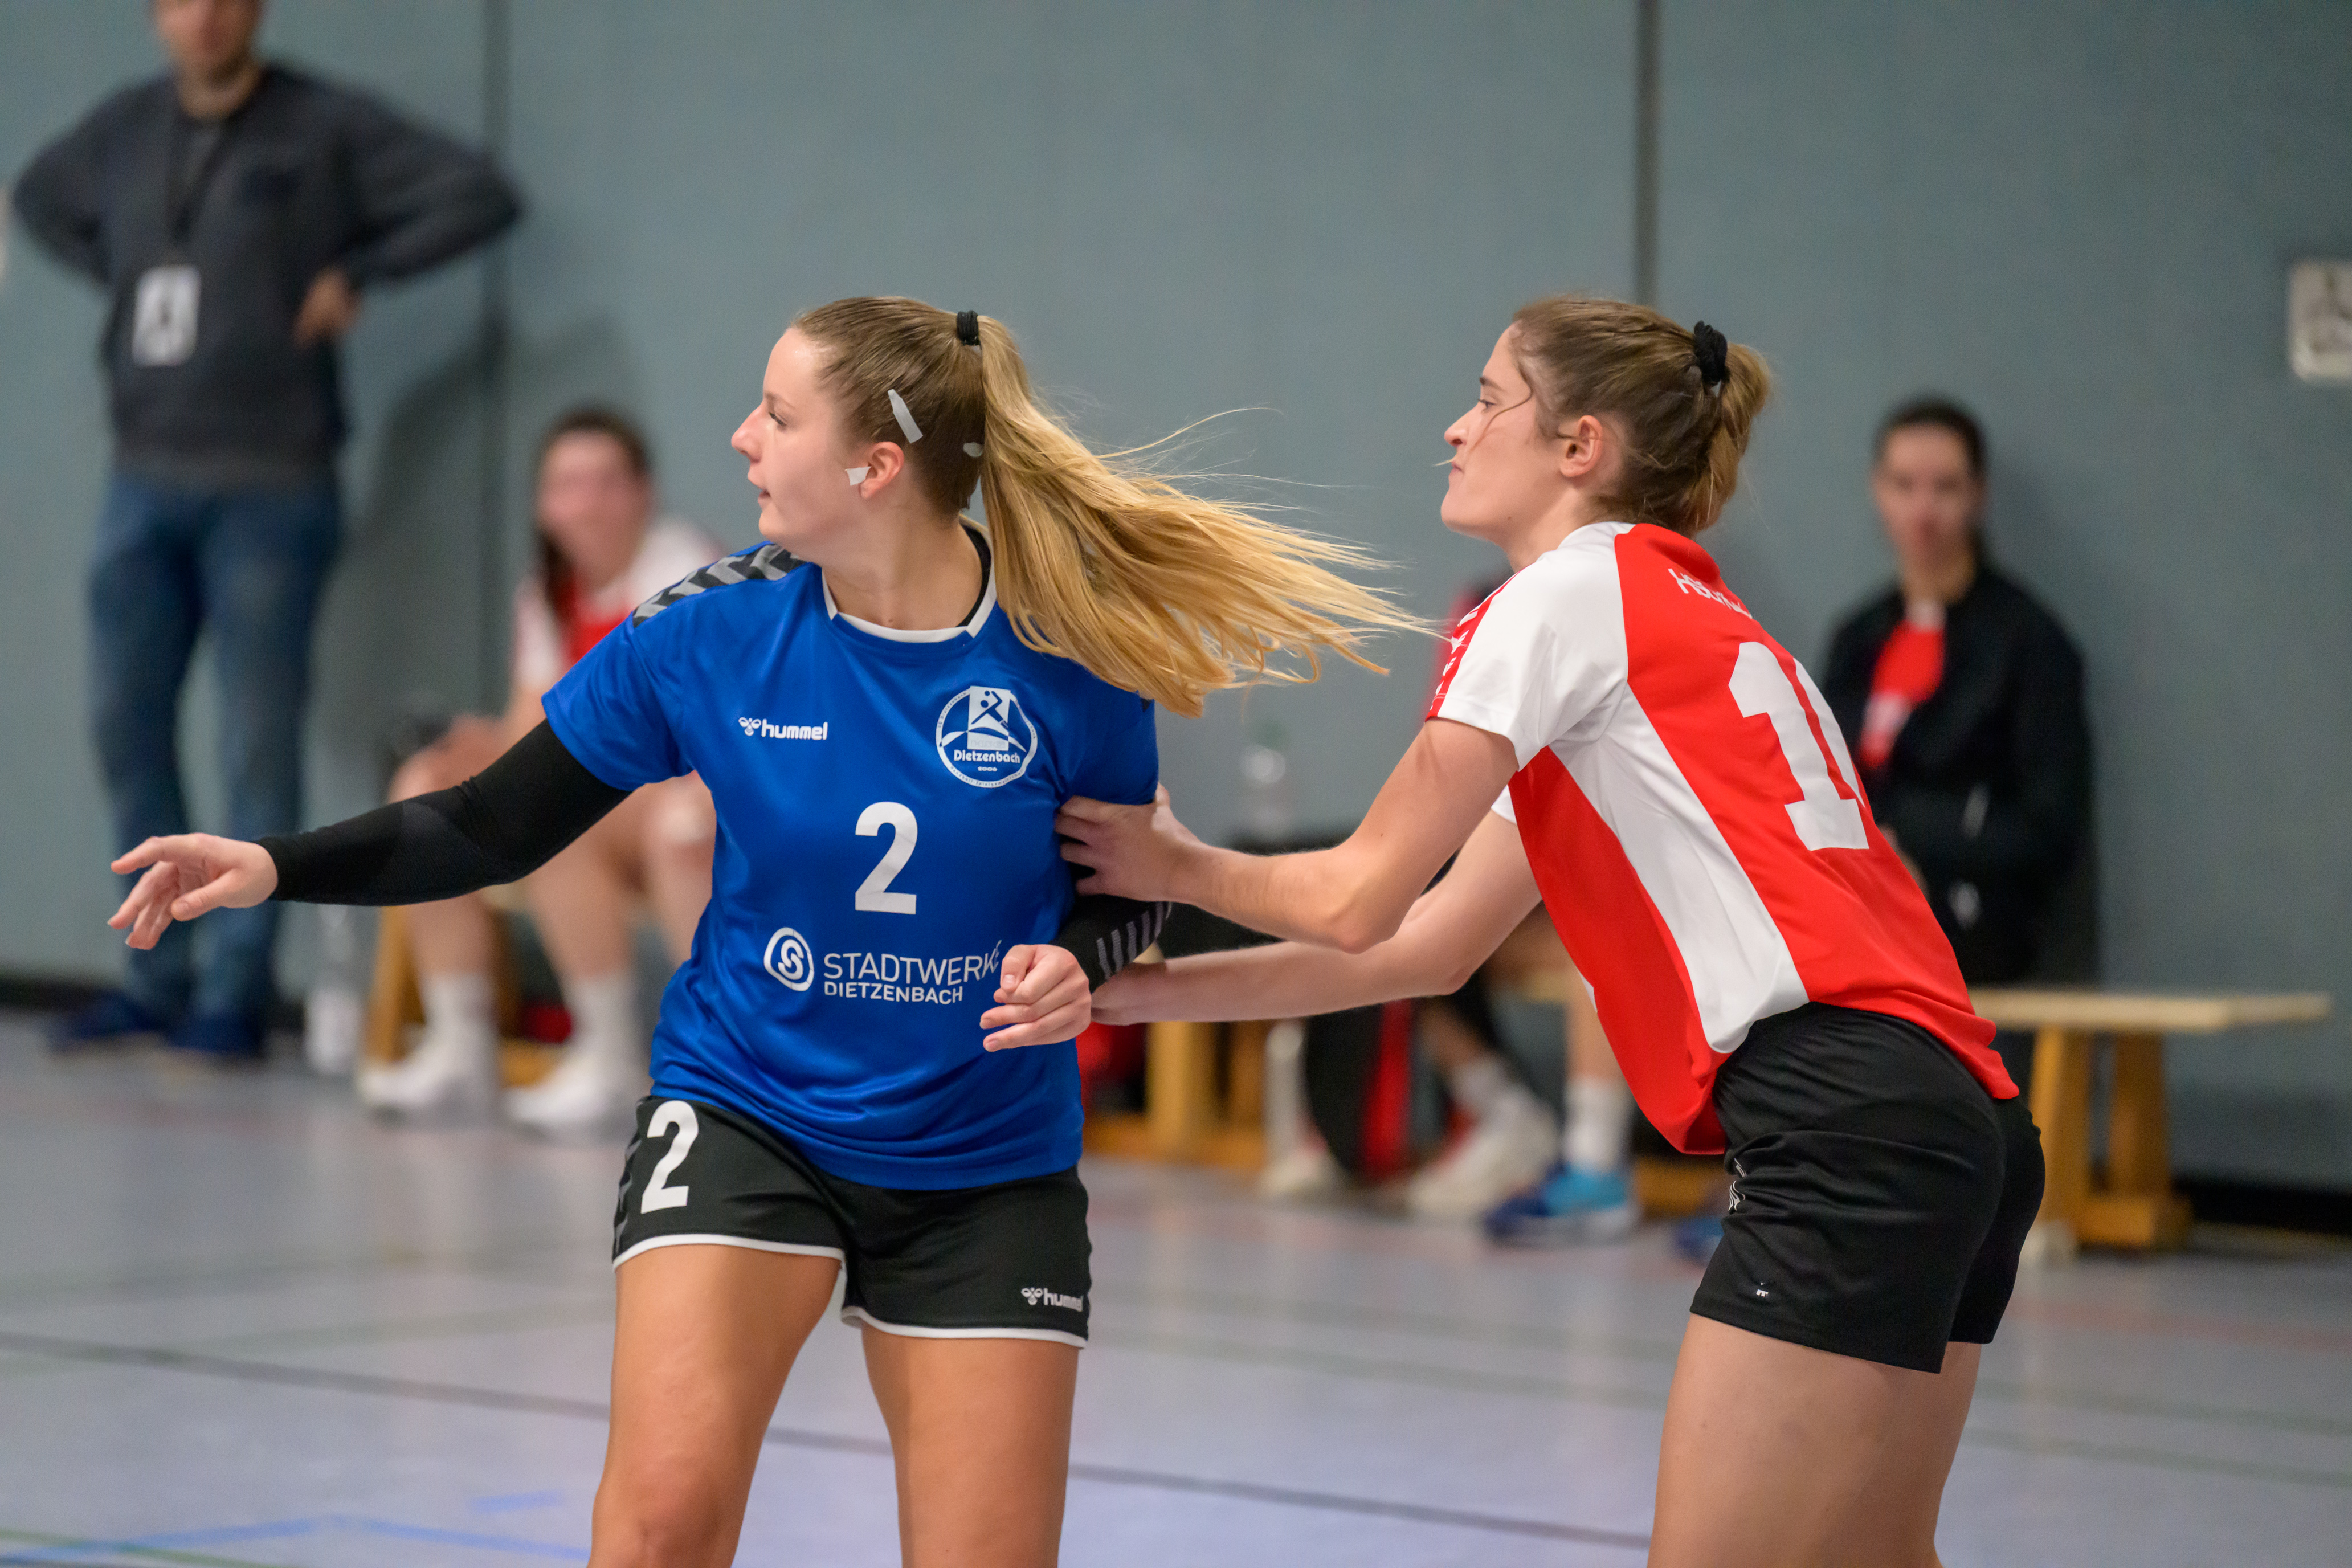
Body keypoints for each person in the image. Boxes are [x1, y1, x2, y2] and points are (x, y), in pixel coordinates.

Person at [103, 297, 1407, 1567]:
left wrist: (1082, 959)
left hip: (981, 1154)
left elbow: (1131, 881)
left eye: (776, 415)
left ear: (875, 467)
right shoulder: (708, 632)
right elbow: (492, 823)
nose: (741, 437)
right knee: (660, 1528)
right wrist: (270, 865)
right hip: (747, 1111)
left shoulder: (1070, 652)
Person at [1065, 296, 2044, 1566]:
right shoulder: (1675, 618)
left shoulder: (1560, 600)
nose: (1455, 426)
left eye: (1487, 399)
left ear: (1580, 445)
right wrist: (1138, 995)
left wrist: (1172, 862)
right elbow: (1427, 945)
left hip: (1843, 1120)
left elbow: (1358, 892)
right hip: (1964, 1121)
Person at [15, 0, 520, 1060]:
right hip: (142, 469)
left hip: (271, 479)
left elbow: (478, 194)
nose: (205, 17)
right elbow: (39, 197)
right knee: (125, 723)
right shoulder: (127, 127)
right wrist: (123, 267)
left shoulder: (320, 124)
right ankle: (153, 975)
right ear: (157, 16)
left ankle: (234, 993)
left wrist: (358, 271)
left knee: (256, 734)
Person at [356, 407, 723, 1136]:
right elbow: (531, 727)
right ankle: (462, 1040)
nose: (586, 504)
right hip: (620, 797)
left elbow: (716, 726)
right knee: (427, 789)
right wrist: (469, 751)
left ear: (643, 493)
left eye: (605, 483)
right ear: (543, 505)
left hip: (694, 795)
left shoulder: (681, 573)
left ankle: (658, 1056)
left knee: (567, 812)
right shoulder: (547, 592)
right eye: (567, 486)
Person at [1821, 397, 2092, 987]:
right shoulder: (1856, 640)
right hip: (1853, 911)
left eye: (1944, 488)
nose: (1923, 511)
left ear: (1978, 495)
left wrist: (1913, 843)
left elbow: (2048, 829)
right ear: (1877, 491)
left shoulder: (2029, 645)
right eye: (1904, 485)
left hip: (1975, 933)